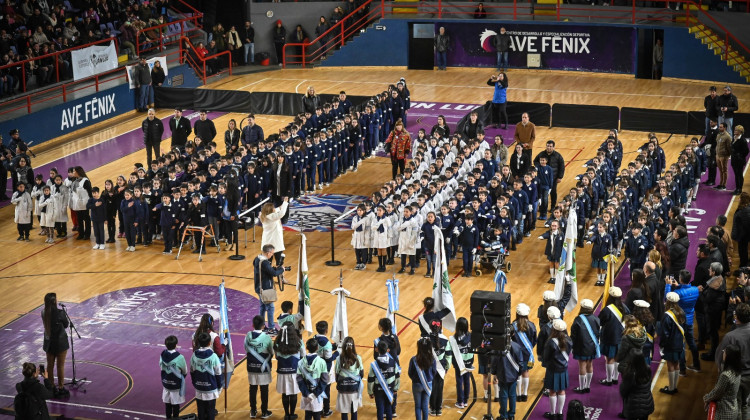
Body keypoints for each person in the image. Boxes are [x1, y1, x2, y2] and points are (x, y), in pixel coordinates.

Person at [714, 303, 750, 419]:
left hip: (737, 377)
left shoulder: (730, 337)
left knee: (737, 406)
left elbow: (719, 358)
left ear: (736, 317)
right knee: (746, 405)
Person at [667, 270, 701, 373]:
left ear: (681, 279)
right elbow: (686, 293)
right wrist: (679, 286)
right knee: (692, 343)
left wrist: (668, 285)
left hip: (680, 322)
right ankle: (696, 365)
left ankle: (682, 369)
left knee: (680, 345)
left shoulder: (678, 293)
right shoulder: (695, 290)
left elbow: (668, 297)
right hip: (690, 320)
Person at [41, 293, 69, 397]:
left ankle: (51, 387)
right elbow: (66, 325)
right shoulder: (60, 313)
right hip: (60, 343)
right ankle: (61, 387)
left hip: (49, 343)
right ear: (54, 301)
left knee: (50, 365)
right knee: (60, 366)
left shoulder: (43, 312)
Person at [245, 315, 273, 419]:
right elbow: (271, 351)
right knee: (264, 389)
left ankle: (253, 411)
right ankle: (264, 412)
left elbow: (246, 348)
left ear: (253, 325)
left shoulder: (248, 335)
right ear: (263, 326)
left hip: (251, 366)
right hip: (263, 368)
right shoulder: (266, 337)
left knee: (252, 388)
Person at [599, 287, 628, 386]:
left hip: (609, 337)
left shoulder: (607, 310)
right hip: (621, 337)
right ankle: (615, 378)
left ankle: (608, 379)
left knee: (609, 359)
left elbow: (600, 322)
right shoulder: (624, 307)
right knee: (617, 357)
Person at [704, 343, 743, 420]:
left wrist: (706, 398)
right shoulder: (737, 371)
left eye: (724, 352)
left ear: (729, 356)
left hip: (724, 412)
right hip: (733, 408)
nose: (723, 353)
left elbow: (717, 393)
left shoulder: (725, 375)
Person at [254, 244, 286, 334]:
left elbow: (267, 270)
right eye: (272, 253)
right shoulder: (264, 262)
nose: (272, 255)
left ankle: (261, 326)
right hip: (265, 289)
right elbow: (273, 273)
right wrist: (282, 270)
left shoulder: (257, 258)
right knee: (270, 307)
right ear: (268, 253)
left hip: (259, 287)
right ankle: (271, 328)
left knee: (262, 307)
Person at [543, 319, 572, 420]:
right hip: (563, 369)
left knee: (552, 391)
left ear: (553, 330)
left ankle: (552, 413)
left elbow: (546, 357)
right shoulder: (569, 340)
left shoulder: (551, 342)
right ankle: (560, 413)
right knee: (562, 391)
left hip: (552, 369)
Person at [191, 332, 223, 420]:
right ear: (210, 343)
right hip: (211, 389)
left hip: (199, 388)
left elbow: (192, 371)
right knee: (210, 411)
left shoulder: (194, 355)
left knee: (200, 411)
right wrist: (219, 386)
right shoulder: (213, 356)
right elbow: (218, 373)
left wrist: (195, 384)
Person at [659, 292, 686, 395]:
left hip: (670, 344)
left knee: (670, 364)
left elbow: (665, 333)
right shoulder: (681, 312)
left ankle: (671, 388)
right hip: (679, 343)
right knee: (677, 363)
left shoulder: (667, 315)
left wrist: (662, 345)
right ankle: (674, 386)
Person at [275, 322, 303, 419]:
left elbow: (277, 357)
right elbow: (302, 356)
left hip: (282, 372)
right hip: (294, 372)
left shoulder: (277, 342)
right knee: (293, 393)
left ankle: (286, 414)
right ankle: (292, 414)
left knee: (285, 393)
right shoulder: (299, 342)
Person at [571, 299, 600, 394]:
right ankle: (587, 386)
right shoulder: (596, 318)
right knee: (590, 364)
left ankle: (582, 387)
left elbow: (574, 335)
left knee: (582, 366)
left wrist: (572, 347)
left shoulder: (578, 319)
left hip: (581, 346)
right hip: (592, 346)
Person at [701, 262, 727, 361]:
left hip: (712, 311)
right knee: (713, 332)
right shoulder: (720, 278)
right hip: (716, 309)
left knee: (712, 332)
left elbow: (707, 299)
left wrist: (700, 293)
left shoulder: (714, 287)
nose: (708, 270)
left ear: (714, 272)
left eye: (710, 269)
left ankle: (712, 354)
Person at [297, 338, 329, 420]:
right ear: (317, 348)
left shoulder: (300, 363)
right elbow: (325, 380)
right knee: (317, 415)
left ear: (307, 348)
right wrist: (315, 393)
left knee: (307, 414)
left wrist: (307, 394)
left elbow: (299, 381)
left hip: (306, 394)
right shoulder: (322, 362)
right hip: (317, 395)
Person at [618, 349, 654, 420]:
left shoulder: (630, 373)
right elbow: (649, 384)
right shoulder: (648, 369)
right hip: (647, 403)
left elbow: (623, 390)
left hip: (633, 406)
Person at [368, 340, 399, 420]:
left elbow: (370, 379)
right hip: (390, 389)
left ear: (377, 349)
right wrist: (396, 388)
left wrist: (370, 392)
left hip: (378, 390)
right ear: (387, 350)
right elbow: (397, 376)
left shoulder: (374, 364)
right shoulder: (393, 362)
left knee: (380, 409)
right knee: (389, 408)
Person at [510, 303, 536, 402]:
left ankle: (518, 394)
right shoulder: (531, 325)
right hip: (527, 354)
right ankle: (525, 394)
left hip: (515, 354)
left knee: (518, 374)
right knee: (526, 372)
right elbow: (534, 340)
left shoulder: (512, 326)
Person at [335, 336, 364, 420]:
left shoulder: (338, 358)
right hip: (354, 389)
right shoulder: (358, 358)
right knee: (354, 411)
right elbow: (361, 374)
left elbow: (336, 375)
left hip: (343, 390)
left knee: (344, 412)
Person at [534, 141, 565, 215]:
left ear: (553, 147)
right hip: (542, 179)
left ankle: (553, 207)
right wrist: (539, 166)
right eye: (548, 146)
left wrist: (560, 177)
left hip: (553, 178)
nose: (549, 147)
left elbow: (562, 166)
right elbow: (535, 161)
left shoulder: (558, 155)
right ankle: (542, 208)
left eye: (551, 146)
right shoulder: (541, 154)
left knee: (553, 192)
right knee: (541, 194)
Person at [160, 335, 187, 419]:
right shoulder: (180, 357)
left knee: (167, 405)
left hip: (166, 383)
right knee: (176, 405)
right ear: (176, 345)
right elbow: (185, 371)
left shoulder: (162, 355)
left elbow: (161, 367)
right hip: (176, 385)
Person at [409, 337, 436, 420]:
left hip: (417, 384)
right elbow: (434, 372)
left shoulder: (413, 359)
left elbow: (410, 373)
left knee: (418, 406)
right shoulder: (432, 359)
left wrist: (415, 379)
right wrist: (429, 378)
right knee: (425, 406)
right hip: (428, 383)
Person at [71, 166, 92, 240]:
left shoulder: (85, 181)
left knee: (86, 219)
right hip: (77, 204)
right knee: (79, 219)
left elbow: (90, 192)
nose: (73, 173)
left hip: (85, 203)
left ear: (78, 172)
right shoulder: (74, 181)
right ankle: (81, 234)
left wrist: (91, 203)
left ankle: (87, 234)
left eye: (74, 171)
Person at [732, 192, 750, 268]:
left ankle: (743, 266)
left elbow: (745, 225)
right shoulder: (745, 209)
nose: (738, 199)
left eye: (740, 198)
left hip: (743, 236)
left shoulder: (743, 211)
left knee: (742, 251)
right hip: (744, 235)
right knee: (743, 251)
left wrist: (737, 235)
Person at [730, 125, 748, 195]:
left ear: (740, 132)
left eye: (736, 130)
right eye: (735, 129)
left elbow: (746, 151)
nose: (735, 131)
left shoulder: (743, 140)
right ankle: (737, 187)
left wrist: (740, 156)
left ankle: (739, 189)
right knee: (736, 174)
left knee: (739, 174)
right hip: (734, 160)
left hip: (739, 161)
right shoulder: (734, 138)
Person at [716, 122, 732, 190]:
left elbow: (729, 147)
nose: (719, 128)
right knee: (720, 170)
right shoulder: (718, 135)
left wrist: (728, 155)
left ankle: (724, 184)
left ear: (725, 128)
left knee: (724, 170)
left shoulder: (728, 137)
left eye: (721, 127)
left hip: (724, 156)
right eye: (719, 127)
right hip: (718, 155)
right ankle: (720, 183)